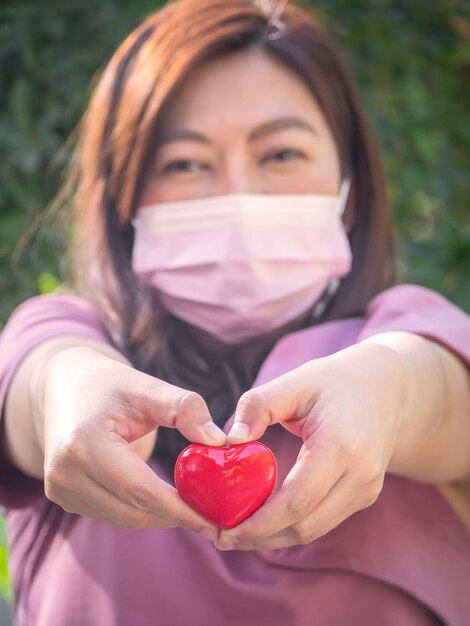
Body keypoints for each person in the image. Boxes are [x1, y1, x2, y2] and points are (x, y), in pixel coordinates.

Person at [1, 0, 469, 624]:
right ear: (124, 202)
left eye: (281, 154)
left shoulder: (408, 329)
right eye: (186, 163)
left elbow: (436, 385)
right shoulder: (64, 331)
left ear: (349, 191)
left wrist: (391, 392)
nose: (238, 195)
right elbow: (44, 375)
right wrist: (64, 393)